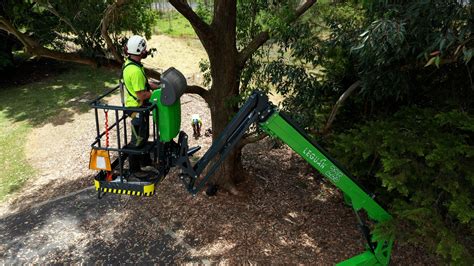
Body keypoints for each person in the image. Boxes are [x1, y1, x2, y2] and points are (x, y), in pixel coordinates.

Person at [122, 35, 159, 178]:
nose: (146, 51)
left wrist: (158, 87)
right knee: (137, 139)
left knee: (142, 136)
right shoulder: (135, 71)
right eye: (144, 48)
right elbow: (141, 95)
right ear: (138, 51)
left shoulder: (132, 64)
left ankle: (145, 161)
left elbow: (145, 84)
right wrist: (158, 94)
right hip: (135, 108)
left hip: (138, 106)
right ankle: (135, 169)